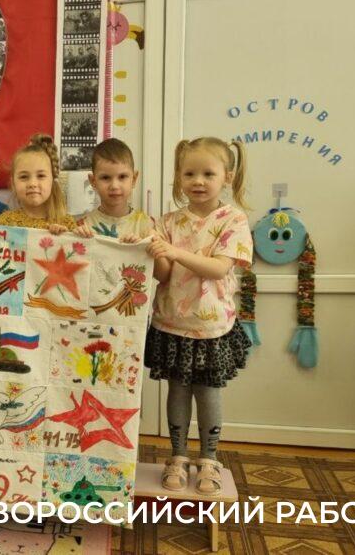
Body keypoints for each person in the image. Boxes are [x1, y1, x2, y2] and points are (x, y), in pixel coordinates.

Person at [144, 137, 253, 495]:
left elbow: (219, 268)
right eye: (189, 173)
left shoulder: (233, 219)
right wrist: (153, 251)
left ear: (227, 177)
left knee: (208, 393)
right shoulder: (168, 221)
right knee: (177, 390)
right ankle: (177, 455)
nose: (198, 181)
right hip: (172, 323)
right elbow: (162, 275)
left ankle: (209, 459)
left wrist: (174, 251)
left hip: (212, 327)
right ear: (179, 176)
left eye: (208, 173)